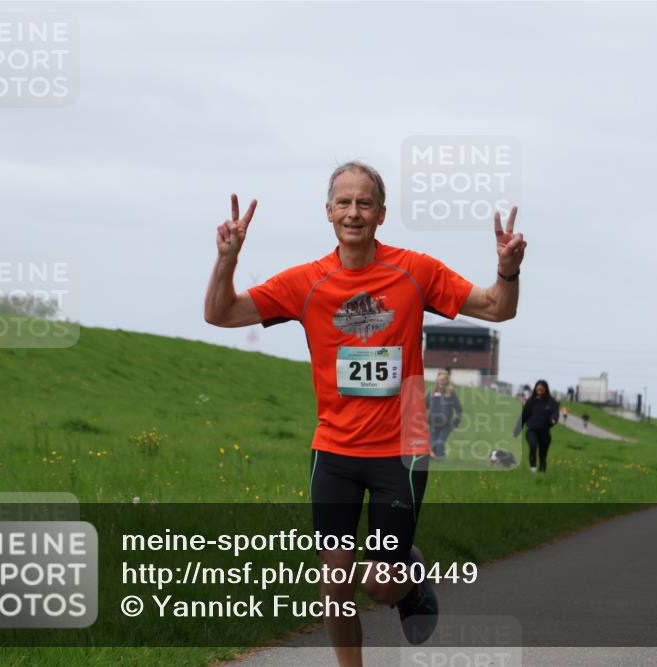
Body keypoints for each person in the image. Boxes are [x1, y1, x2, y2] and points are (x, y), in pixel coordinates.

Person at [203, 161, 525, 666]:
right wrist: (227, 259)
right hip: (333, 451)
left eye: (365, 203)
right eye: (344, 202)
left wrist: (507, 270)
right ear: (329, 211)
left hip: (401, 451)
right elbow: (220, 313)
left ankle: (409, 579)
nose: (354, 212)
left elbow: (496, 308)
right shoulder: (305, 282)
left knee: (379, 586)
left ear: (381, 214)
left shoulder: (415, 271)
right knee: (335, 586)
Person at [513, 380, 559, 473]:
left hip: (545, 432)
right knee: (533, 447)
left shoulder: (551, 402)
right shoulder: (531, 402)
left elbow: (555, 412)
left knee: (543, 454)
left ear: (546, 389)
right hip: (532, 431)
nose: (540, 390)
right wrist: (517, 431)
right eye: (538, 388)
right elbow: (524, 416)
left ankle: (542, 472)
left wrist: (554, 419)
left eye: (542, 388)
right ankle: (533, 469)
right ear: (535, 389)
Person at [425, 370, 463, 460]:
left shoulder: (451, 394)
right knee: (433, 445)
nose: (441, 382)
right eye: (439, 380)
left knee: (439, 444)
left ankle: (441, 458)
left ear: (446, 381)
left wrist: (455, 422)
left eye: (443, 380)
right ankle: (437, 459)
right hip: (433, 424)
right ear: (437, 381)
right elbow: (423, 406)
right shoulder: (431, 393)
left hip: (446, 424)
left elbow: (459, 409)